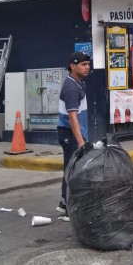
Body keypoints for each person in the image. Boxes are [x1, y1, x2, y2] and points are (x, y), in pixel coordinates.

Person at [56, 51, 90, 217]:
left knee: (74, 168)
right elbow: (72, 117)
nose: (87, 67)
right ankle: (67, 206)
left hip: (75, 133)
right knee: (71, 169)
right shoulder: (71, 88)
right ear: (72, 66)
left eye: (88, 64)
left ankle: (65, 203)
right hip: (69, 134)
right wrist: (80, 141)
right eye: (83, 64)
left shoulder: (79, 83)